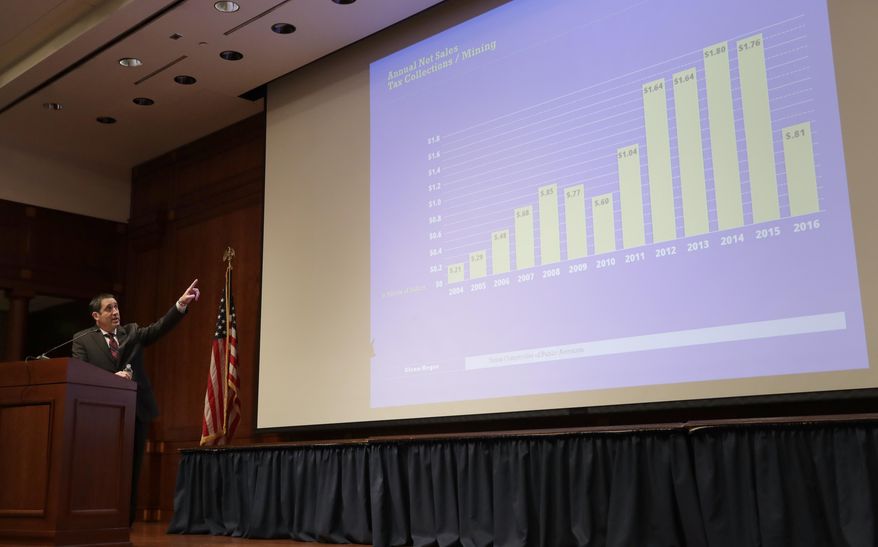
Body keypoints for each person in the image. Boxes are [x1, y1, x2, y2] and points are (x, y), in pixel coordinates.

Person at [72, 279, 200, 526]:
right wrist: (113, 378)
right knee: (102, 466)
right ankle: (97, 518)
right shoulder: (82, 340)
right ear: (96, 316)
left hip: (136, 411)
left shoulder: (131, 332)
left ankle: (125, 522)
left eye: (116, 307)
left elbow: (159, 328)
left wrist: (180, 305)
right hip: (100, 413)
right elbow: (81, 373)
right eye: (109, 308)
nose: (115, 312)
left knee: (131, 468)